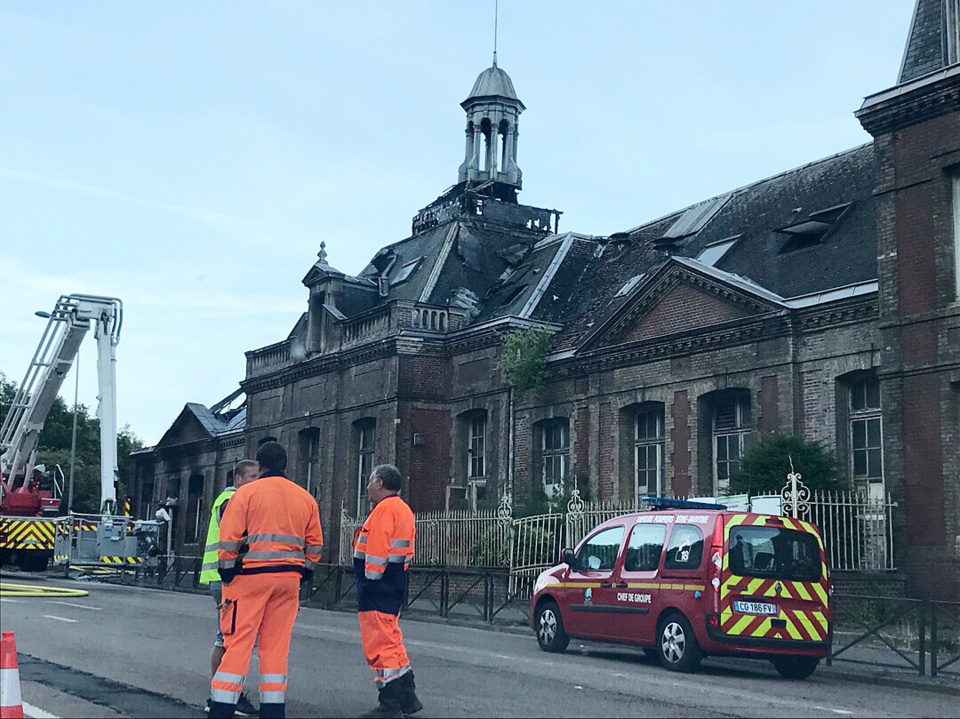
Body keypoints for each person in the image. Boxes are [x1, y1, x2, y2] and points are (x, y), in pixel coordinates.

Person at [209, 442, 323, 719]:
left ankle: (222, 708)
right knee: (275, 647)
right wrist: (304, 570)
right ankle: (273, 710)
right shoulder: (305, 498)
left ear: (259, 466)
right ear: (285, 465)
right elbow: (315, 545)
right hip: (289, 580)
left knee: (238, 643)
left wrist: (227, 571)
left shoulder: (246, 494)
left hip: (249, 579)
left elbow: (228, 539)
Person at [354, 464, 422, 718]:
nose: (368, 486)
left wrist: (369, 581)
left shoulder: (383, 510)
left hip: (377, 587)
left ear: (380, 483)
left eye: (371, 481)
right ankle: (407, 697)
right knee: (392, 641)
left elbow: (377, 548)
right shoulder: (402, 509)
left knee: (380, 646)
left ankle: (390, 704)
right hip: (394, 582)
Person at [200, 459, 261, 717]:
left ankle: (222, 694)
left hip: (224, 576)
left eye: (258, 476)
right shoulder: (231, 501)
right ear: (237, 479)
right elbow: (236, 538)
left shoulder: (230, 499)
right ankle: (222, 696)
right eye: (251, 476)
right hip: (227, 578)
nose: (256, 481)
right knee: (228, 638)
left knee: (226, 637)